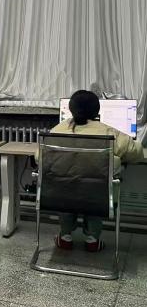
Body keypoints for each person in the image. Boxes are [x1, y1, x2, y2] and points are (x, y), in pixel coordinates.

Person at [44, 90, 143, 252]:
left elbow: (40, 156)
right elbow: (136, 153)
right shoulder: (108, 132)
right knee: (96, 186)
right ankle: (93, 239)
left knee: (67, 187)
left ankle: (65, 236)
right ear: (97, 111)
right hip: (96, 196)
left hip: (62, 194)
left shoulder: (57, 130)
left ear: (71, 109)